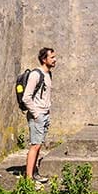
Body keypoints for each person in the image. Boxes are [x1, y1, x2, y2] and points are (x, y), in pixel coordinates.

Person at [23, 47, 56, 186]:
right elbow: (26, 97)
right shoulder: (36, 75)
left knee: (39, 145)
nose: (55, 60)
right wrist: (36, 114)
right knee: (35, 146)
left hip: (44, 114)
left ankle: (34, 173)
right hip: (38, 115)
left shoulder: (48, 74)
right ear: (44, 59)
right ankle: (29, 179)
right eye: (52, 57)